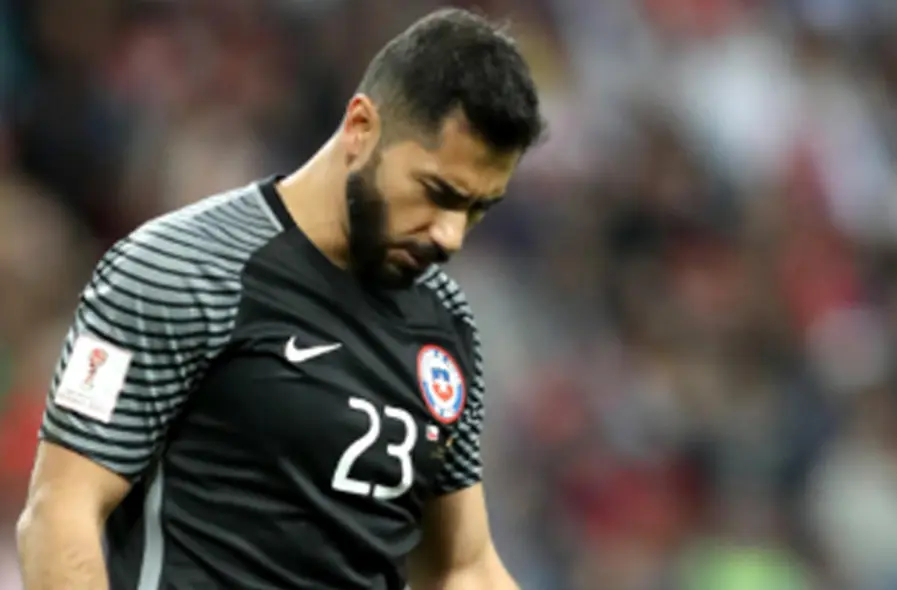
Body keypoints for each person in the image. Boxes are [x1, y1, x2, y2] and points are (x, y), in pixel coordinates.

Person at [15, 7, 544, 589]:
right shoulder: (180, 267)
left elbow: (461, 568)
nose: (451, 234)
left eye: (477, 209)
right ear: (362, 128)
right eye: (437, 193)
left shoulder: (446, 322)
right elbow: (59, 514)